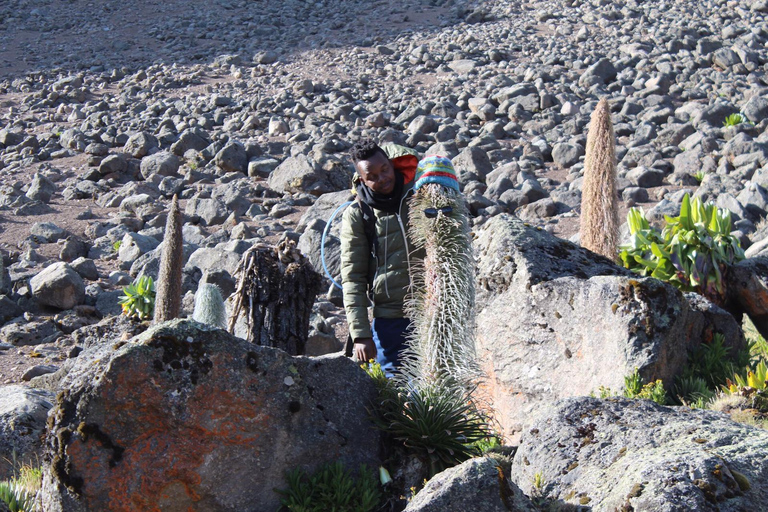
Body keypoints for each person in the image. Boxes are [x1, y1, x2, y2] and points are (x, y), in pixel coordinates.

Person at [340, 138, 419, 376]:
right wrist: (361, 335)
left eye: (384, 169)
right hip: (391, 319)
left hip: (433, 310)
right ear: (361, 179)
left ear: (391, 164)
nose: (382, 178)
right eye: (371, 176)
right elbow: (353, 276)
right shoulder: (358, 214)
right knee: (398, 390)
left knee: (440, 384)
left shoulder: (420, 194)